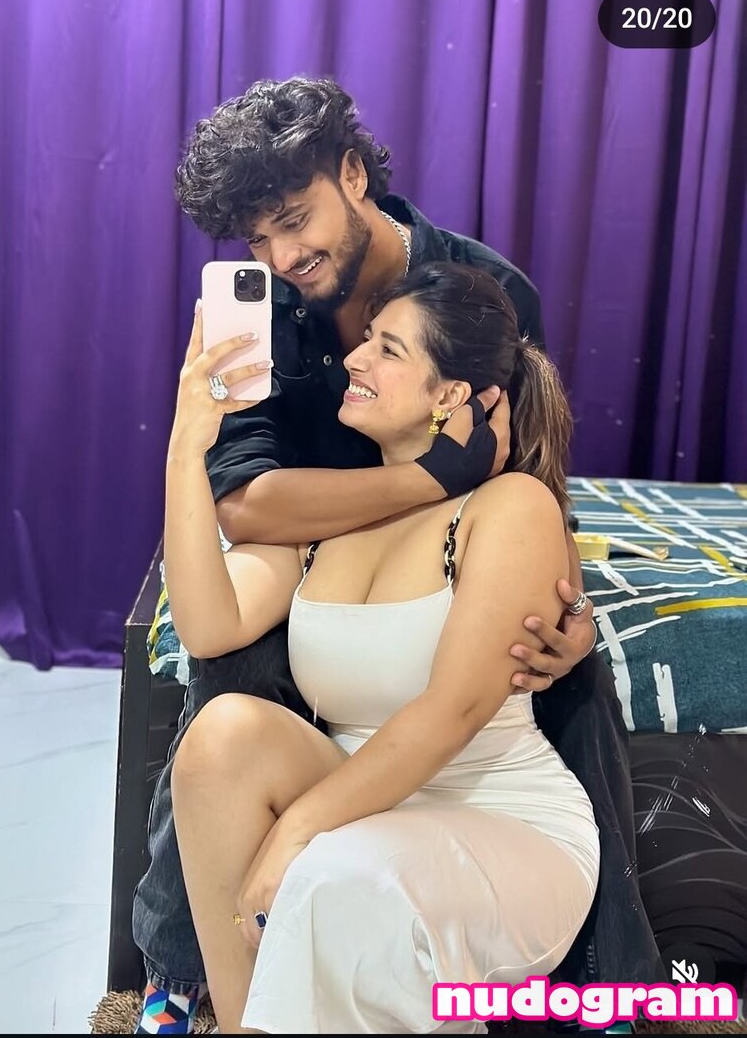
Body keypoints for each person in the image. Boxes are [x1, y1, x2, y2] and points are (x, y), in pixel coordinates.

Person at [131, 77, 660, 1034]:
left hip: (459, 541)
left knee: (563, 677)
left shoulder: (483, 290)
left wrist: (568, 603)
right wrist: (420, 482)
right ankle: (194, 969)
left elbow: (527, 471)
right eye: (255, 240)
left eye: (294, 221)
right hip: (317, 539)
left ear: (352, 174)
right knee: (229, 683)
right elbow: (247, 506)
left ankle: (603, 988)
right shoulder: (266, 315)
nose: (280, 257)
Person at [166, 261, 600, 1034]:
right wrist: (185, 445)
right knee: (221, 737)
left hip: (494, 817)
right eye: (366, 338)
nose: (356, 358)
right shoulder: (334, 514)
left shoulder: (509, 507)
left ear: (450, 396)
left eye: (388, 348)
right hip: (361, 803)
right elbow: (207, 625)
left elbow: (451, 712)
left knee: (335, 875)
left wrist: (295, 833)